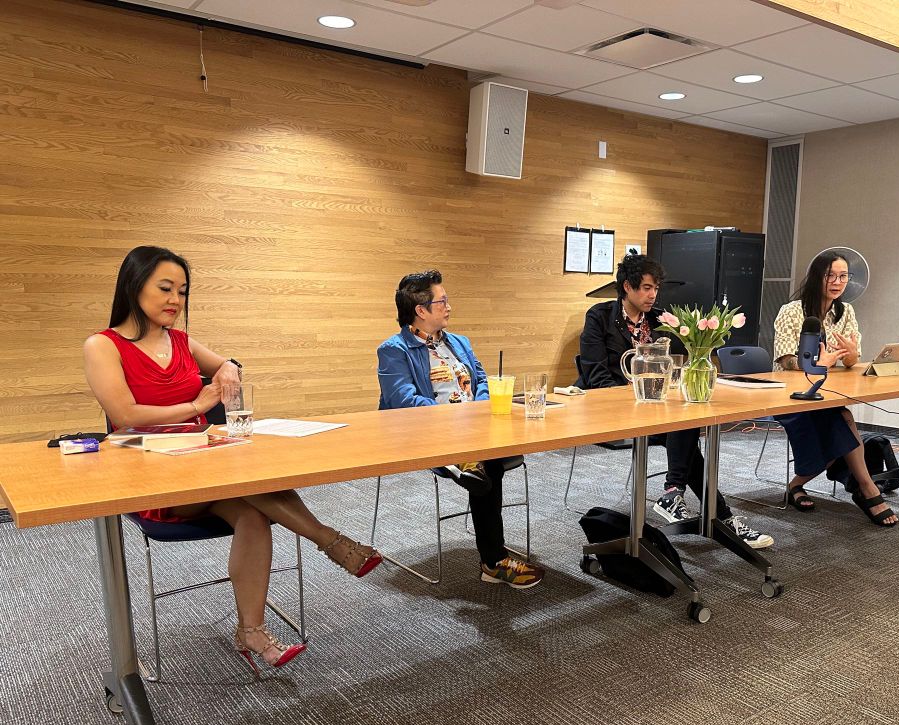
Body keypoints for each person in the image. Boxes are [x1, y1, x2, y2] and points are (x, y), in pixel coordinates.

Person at [83, 246, 384, 672]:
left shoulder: (181, 341)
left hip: (203, 466)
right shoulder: (103, 345)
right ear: (134, 286)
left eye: (182, 292)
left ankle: (251, 630)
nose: (175, 300)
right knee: (249, 484)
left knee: (252, 512)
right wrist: (195, 405)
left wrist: (229, 366)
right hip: (147, 474)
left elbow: (228, 366)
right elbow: (125, 415)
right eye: (165, 288)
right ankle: (329, 541)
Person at [578, 253, 774, 549]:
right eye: (645, 287)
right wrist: (638, 396)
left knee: (685, 418)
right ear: (627, 288)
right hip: (612, 409)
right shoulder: (600, 316)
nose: (652, 294)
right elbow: (596, 376)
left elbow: (678, 366)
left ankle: (679, 495)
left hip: (657, 409)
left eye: (655, 288)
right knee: (684, 429)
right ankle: (714, 512)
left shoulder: (660, 319)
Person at [376, 269, 545, 589]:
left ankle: (468, 464)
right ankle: (494, 561)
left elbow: (481, 380)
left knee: (488, 458)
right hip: (427, 432)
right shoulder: (393, 350)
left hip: (475, 428)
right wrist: (454, 419)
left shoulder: (459, 342)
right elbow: (403, 401)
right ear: (421, 311)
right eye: (442, 301)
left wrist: (477, 410)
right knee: (491, 463)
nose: (449, 306)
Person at [772, 252, 898, 526]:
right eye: (831, 275)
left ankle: (797, 485)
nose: (838, 282)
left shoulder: (846, 312)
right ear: (818, 276)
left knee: (840, 418)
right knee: (842, 419)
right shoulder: (791, 311)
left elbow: (851, 360)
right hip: (791, 396)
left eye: (843, 276)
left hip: (825, 393)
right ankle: (868, 489)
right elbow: (786, 361)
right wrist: (816, 363)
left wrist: (852, 353)